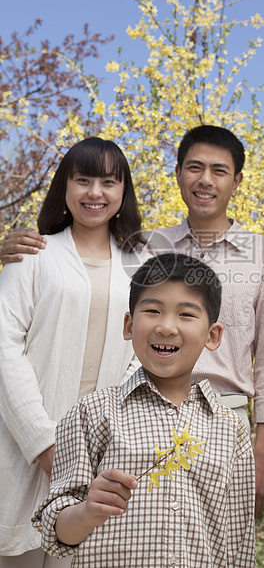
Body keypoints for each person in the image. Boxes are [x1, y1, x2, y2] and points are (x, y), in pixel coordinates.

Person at [1, 124, 264, 517]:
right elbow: (90, 251)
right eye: (194, 168)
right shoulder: (145, 246)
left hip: (225, 418)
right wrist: (15, 247)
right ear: (177, 173)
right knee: (145, 541)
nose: (205, 180)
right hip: (146, 416)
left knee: (221, 543)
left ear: (236, 180)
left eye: (219, 171)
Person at [32, 253, 256, 567]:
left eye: (186, 315)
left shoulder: (230, 428)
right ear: (129, 324)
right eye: (152, 311)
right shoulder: (92, 413)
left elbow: (239, 544)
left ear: (213, 336)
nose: (166, 327)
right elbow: (55, 532)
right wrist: (86, 512)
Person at [0, 137, 151, 566]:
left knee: (82, 555)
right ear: (64, 189)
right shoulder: (33, 255)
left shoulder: (138, 268)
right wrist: (45, 443)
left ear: (123, 193)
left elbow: (139, 356)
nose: (95, 193)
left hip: (98, 451)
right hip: (23, 443)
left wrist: (101, 441)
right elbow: (3, 348)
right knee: (19, 552)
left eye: (108, 181)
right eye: (82, 180)